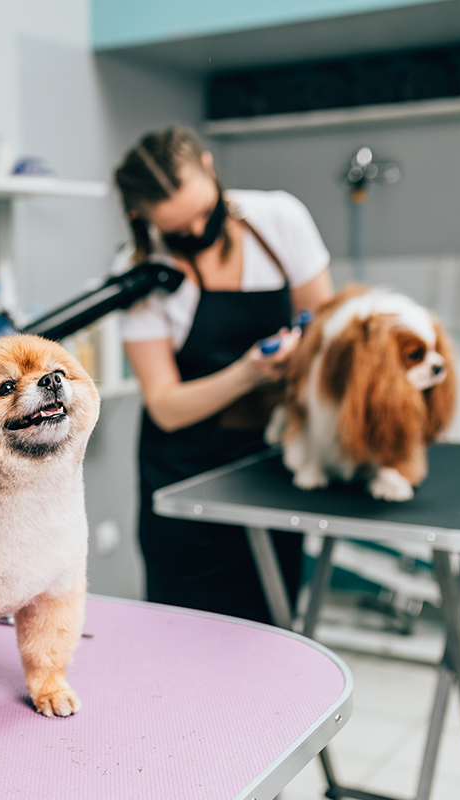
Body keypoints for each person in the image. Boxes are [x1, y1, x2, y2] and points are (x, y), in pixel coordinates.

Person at [114, 126, 334, 625]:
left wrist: (302, 347)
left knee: (271, 622)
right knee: (184, 629)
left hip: (270, 460)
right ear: (141, 218)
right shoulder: (143, 275)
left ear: (211, 170)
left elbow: (322, 324)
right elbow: (166, 407)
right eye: (177, 227)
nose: (195, 231)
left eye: (202, 211)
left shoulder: (280, 220)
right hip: (181, 473)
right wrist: (247, 373)